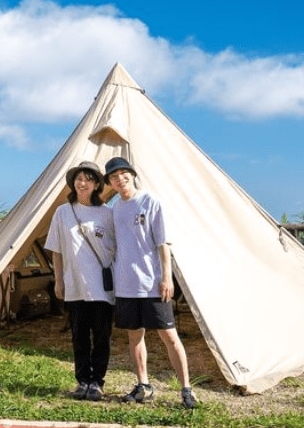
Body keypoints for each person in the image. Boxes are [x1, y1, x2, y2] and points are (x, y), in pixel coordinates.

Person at [104, 156, 197, 409]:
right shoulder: (114, 209)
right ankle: (143, 384)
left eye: (123, 174)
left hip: (152, 283)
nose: (119, 179)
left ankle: (186, 388)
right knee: (135, 337)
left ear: (132, 175)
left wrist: (166, 277)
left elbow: (162, 244)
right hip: (126, 284)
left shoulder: (150, 202)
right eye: (114, 177)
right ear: (110, 183)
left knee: (169, 336)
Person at [45, 160, 116, 402]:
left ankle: (97, 382)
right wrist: (58, 280)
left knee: (102, 336)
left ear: (97, 184)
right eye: (78, 178)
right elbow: (56, 250)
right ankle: (83, 380)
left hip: (102, 288)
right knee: (79, 336)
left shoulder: (108, 214)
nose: (82, 183)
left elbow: (118, 249)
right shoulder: (63, 212)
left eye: (88, 179)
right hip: (74, 284)